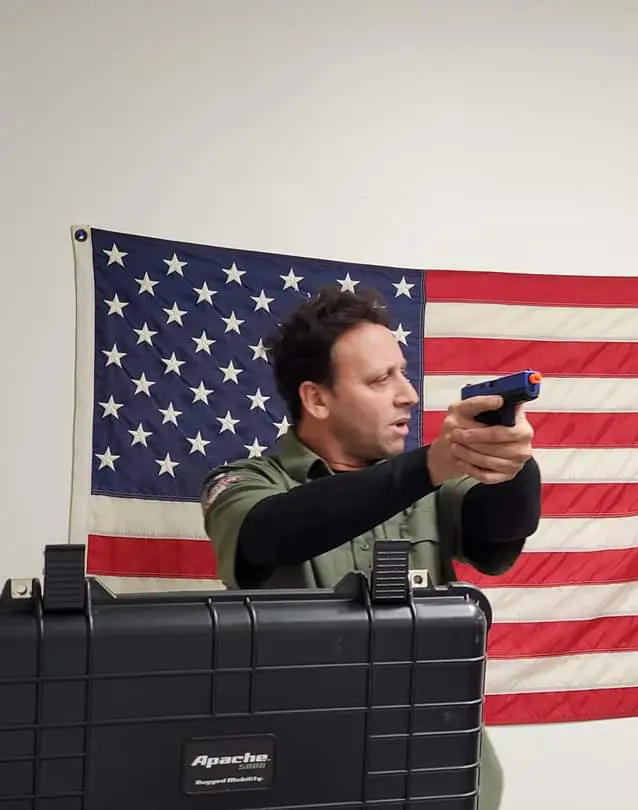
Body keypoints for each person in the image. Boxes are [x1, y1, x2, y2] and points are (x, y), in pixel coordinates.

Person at [199, 285, 541, 810]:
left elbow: (498, 537)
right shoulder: (244, 483)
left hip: (435, 766)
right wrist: (429, 465)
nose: (409, 394)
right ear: (316, 398)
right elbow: (271, 532)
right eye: (382, 379)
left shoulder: (428, 485)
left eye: (402, 373)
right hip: (306, 774)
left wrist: (510, 461)